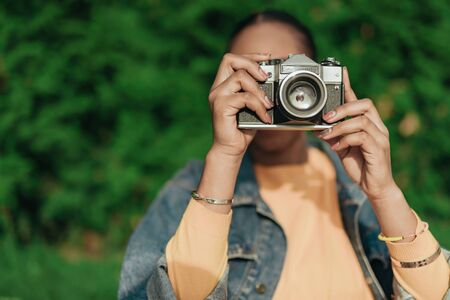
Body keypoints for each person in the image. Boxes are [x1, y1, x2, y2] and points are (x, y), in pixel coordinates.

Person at [118, 10, 450, 300]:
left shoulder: (357, 188)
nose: (281, 95)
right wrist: (224, 157)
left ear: (322, 79)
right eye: (260, 76)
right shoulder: (190, 189)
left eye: (294, 76)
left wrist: (384, 193)